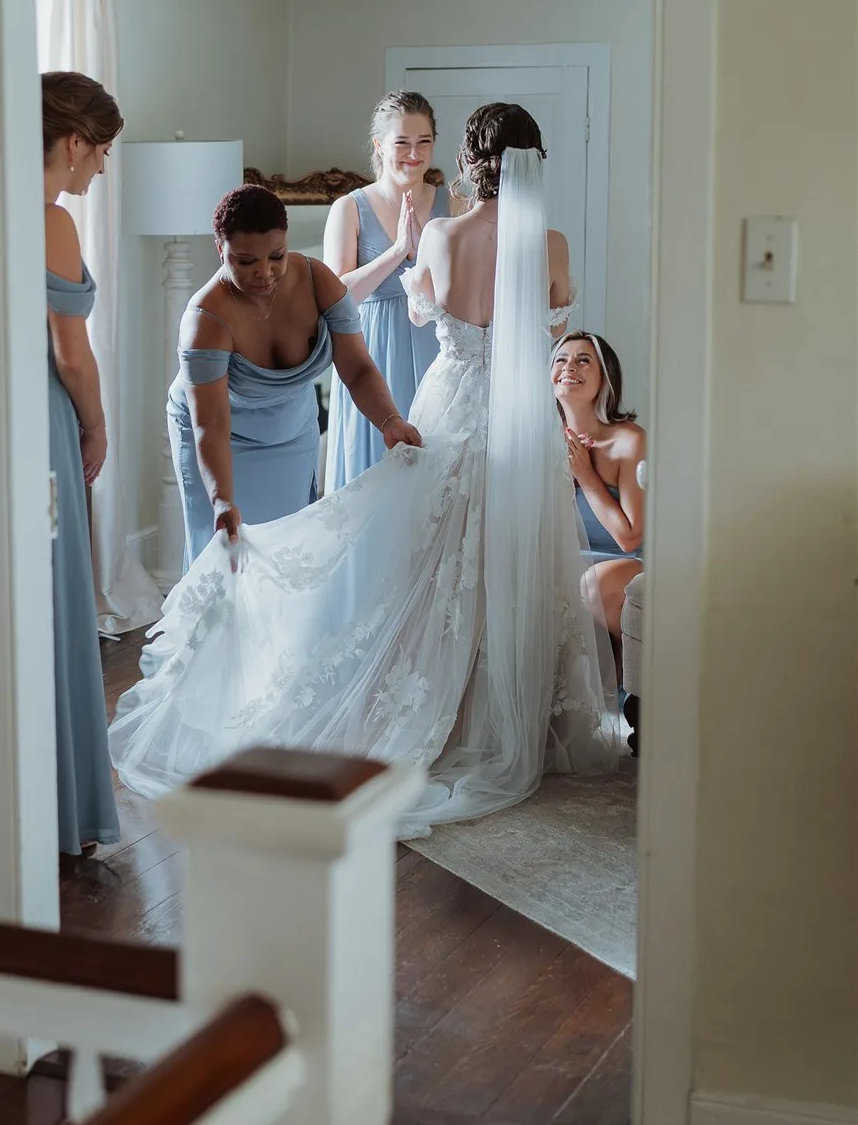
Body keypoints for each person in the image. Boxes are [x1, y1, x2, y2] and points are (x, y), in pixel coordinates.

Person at [111, 105, 617, 833]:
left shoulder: (440, 236)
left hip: (449, 403)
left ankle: (431, 708)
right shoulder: (553, 245)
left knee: (430, 565)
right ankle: (514, 720)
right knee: (513, 554)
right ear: (533, 161)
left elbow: (417, 316)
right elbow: (554, 328)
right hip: (519, 419)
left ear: (469, 161)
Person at [166, 182, 421, 569]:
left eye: (276, 256)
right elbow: (210, 424)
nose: (264, 273)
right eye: (245, 261)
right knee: (223, 563)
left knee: (289, 558)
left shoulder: (318, 282)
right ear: (221, 251)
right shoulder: (205, 320)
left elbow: (358, 368)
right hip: (220, 437)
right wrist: (222, 498)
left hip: (292, 429)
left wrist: (390, 419)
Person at [44, 70, 122, 858]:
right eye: (97, 153)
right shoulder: (49, 221)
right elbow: (72, 355)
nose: (97, 171)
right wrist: (94, 428)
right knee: (58, 593)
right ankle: (62, 815)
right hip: (41, 423)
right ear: (71, 144)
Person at [322, 91, 450, 487]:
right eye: (402, 143)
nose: (414, 154)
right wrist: (398, 253)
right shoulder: (349, 208)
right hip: (371, 355)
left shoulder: (454, 203)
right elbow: (337, 296)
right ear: (380, 146)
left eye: (423, 142)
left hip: (438, 354)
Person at [552, 330, 647, 657]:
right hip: (563, 562)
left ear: (605, 378)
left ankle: (632, 676)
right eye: (561, 359)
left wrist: (586, 475)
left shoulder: (628, 440)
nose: (569, 367)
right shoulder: (540, 440)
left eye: (583, 360)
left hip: (625, 564)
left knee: (593, 586)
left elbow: (630, 538)